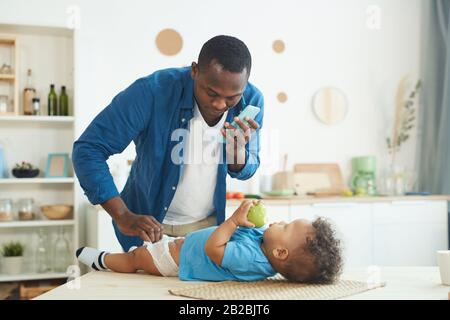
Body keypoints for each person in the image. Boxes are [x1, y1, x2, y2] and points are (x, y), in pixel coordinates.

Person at [72, 35, 264, 252]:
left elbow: (246, 170)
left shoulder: (251, 101)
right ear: (194, 71)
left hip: (207, 230)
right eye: (211, 93)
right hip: (147, 229)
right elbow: (88, 149)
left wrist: (236, 151)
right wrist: (122, 215)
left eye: (232, 98)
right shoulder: (152, 91)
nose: (220, 104)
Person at [76, 200, 343, 283]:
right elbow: (256, 231)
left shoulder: (251, 258)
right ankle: (108, 259)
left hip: (174, 261)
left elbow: (213, 249)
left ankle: (104, 261)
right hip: (181, 246)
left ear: (281, 252)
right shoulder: (264, 244)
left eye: (285, 226)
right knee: (140, 252)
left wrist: (234, 221)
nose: (278, 222)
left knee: (135, 259)